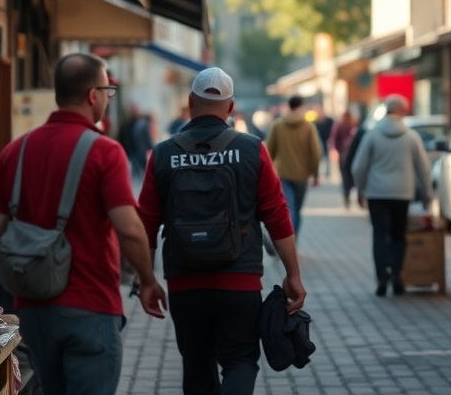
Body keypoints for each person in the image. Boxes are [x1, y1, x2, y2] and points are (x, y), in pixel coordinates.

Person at [0, 53, 167, 395]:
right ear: (93, 95)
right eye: (108, 91)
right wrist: (147, 280)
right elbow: (129, 228)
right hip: (90, 307)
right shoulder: (104, 152)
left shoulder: (15, 152)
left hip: (35, 313)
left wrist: (19, 275)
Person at [138, 67, 306, 395]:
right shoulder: (251, 149)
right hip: (239, 281)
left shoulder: (163, 153)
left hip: (185, 285)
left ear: (189, 103)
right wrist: (293, 275)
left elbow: (144, 221)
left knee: (197, 365)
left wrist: (146, 280)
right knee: (240, 360)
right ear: (230, 108)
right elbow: (277, 214)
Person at [351, 94, 433, 296]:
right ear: (403, 111)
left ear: (386, 110)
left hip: (377, 193)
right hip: (402, 193)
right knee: (398, 235)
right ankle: (396, 273)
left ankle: (382, 277)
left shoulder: (372, 135)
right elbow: (423, 167)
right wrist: (427, 192)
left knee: (380, 235)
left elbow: (358, 166)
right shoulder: (412, 136)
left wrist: (360, 189)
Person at [265, 95, 322, 236]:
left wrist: (268, 173)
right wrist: (315, 173)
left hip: (282, 174)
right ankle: (292, 239)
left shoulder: (277, 125)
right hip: (302, 175)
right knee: (297, 209)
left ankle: (287, 240)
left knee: (288, 208)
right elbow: (316, 152)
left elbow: (269, 150)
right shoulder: (308, 126)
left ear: (288, 106)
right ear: (301, 106)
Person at [329, 108, 359, 208]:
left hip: (343, 154)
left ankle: (346, 194)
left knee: (345, 176)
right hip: (353, 154)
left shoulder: (339, 125)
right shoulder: (353, 124)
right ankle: (349, 192)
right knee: (350, 175)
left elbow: (334, 139)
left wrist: (334, 151)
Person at [311, 105, 334, 179]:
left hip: (327, 140)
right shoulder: (315, 121)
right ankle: (320, 171)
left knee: (326, 156)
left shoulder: (329, 120)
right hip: (319, 140)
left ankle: (327, 170)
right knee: (320, 155)